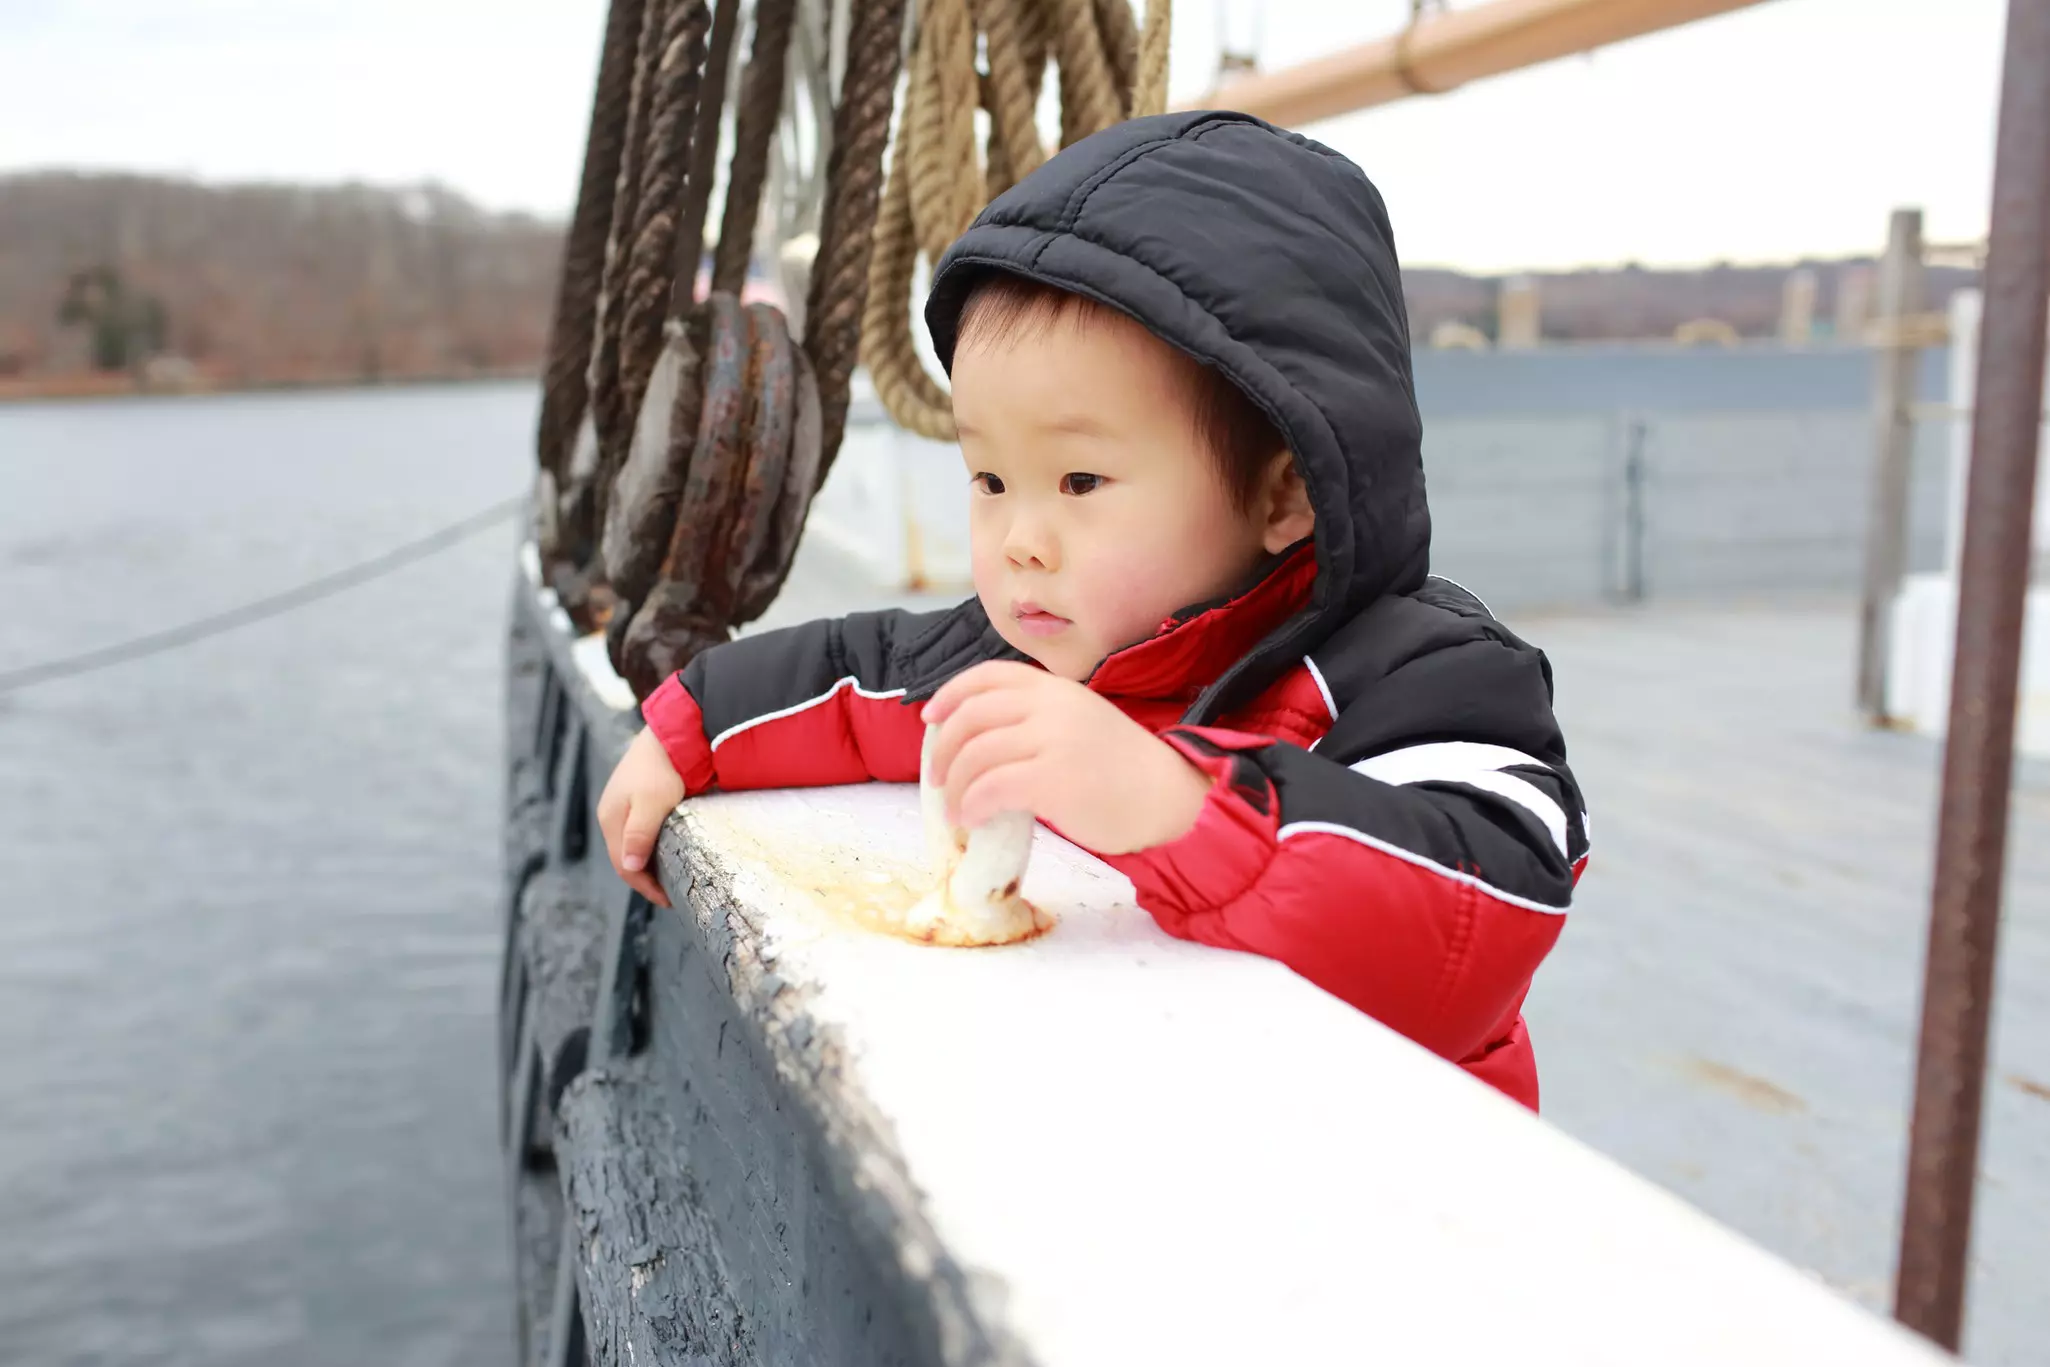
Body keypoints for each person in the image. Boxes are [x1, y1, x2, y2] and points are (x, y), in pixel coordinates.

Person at [597, 110, 1590, 1110]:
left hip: (1394, 1189)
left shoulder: (1429, 675)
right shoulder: (1042, 656)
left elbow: (1488, 907)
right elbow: (860, 677)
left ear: (1287, 493)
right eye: (989, 478)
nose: (1018, 537)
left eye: (1076, 479)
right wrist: (692, 724)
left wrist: (1180, 808)